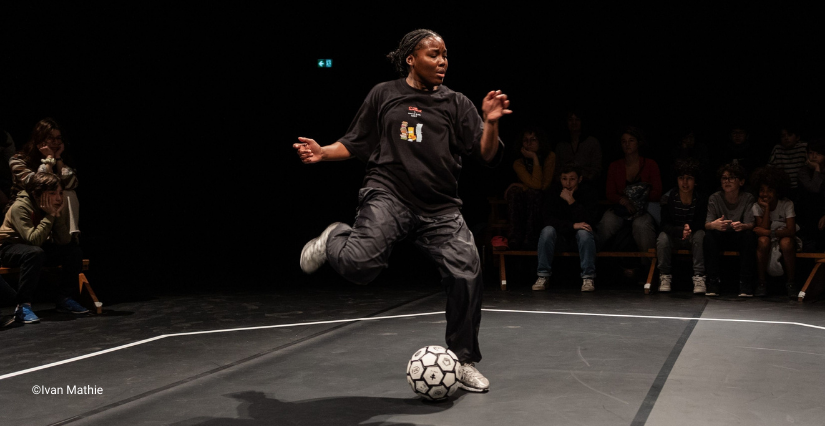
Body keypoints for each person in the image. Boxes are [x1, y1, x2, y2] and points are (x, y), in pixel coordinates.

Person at [292, 29, 510, 394]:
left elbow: (487, 155)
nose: (442, 62)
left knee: (467, 274)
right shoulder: (385, 94)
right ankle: (335, 237)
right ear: (411, 58)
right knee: (359, 266)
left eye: (445, 56)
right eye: (433, 54)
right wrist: (322, 152)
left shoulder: (456, 103)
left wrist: (491, 122)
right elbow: (356, 142)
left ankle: (463, 360)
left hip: (440, 208)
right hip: (389, 195)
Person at [0, 172, 87, 324]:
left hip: (34, 248)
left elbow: (64, 240)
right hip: (8, 248)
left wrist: (55, 216)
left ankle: (64, 298)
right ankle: (23, 306)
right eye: (52, 193)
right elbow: (33, 240)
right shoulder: (20, 207)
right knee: (35, 253)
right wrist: (50, 216)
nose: (58, 198)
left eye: (60, 193)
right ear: (37, 194)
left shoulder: (50, 207)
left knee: (72, 251)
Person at [597, 126, 662, 278]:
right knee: (606, 223)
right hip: (622, 208)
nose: (627, 144)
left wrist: (638, 198)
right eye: (624, 141)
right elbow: (610, 193)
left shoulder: (650, 164)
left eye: (631, 141)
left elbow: (657, 192)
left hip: (643, 209)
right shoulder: (615, 166)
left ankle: (649, 270)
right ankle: (595, 261)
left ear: (638, 143)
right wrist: (624, 201)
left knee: (642, 226)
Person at [7, 118, 80, 239]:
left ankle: (70, 238)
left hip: (53, 204)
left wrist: (58, 160)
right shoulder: (18, 160)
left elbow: (71, 184)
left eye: (58, 138)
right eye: (51, 138)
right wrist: (49, 160)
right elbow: (37, 185)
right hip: (29, 205)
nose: (56, 142)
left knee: (69, 193)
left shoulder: (61, 159)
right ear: (40, 139)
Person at [533, 163, 599, 292]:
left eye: (572, 179)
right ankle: (543, 275)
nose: (568, 183)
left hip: (581, 240)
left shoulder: (588, 192)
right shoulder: (553, 192)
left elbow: (590, 220)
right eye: (564, 179)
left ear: (579, 179)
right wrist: (572, 225)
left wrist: (571, 201)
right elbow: (548, 220)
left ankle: (588, 277)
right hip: (560, 238)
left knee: (583, 232)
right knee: (547, 231)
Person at [703, 163, 757, 297]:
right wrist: (714, 225)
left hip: (738, 235)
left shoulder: (748, 198)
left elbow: (751, 223)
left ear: (741, 182)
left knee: (749, 236)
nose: (727, 181)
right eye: (724, 178)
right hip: (721, 235)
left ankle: (745, 283)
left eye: (731, 178)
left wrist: (743, 226)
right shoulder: (715, 198)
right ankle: (713, 281)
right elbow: (707, 224)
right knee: (708, 236)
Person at [655, 159, 708, 294]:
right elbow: (664, 224)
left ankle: (699, 276)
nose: (684, 182)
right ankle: (665, 275)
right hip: (674, 235)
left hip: (692, 233)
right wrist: (679, 231)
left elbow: (702, 221)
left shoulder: (700, 198)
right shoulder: (668, 198)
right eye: (681, 178)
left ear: (695, 181)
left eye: (689, 178)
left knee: (701, 235)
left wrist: (689, 228)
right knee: (662, 238)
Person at [751, 166, 801, 298]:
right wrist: (766, 208)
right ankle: (761, 283)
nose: (765, 194)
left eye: (770, 190)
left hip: (784, 236)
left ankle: (791, 283)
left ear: (777, 191)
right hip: (769, 237)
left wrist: (769, 233)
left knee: (786, 242)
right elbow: (761, 231)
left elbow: (790, 230)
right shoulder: (757, 206)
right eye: (762, 190)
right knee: (762, 241)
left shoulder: (786, 204)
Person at [505, 126, 555, 249]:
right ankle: (514, 238)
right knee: (514, 192)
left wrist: (534, 158)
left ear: (540, 141)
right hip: (526, 201)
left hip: (545, 198)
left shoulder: (550, 157)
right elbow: (536, 184)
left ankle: (531, 238)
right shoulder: (519, 163)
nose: (528, 144)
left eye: (533, 140)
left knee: (534, 193)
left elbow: (542, 186)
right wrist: (522, 186)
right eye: (525, 140)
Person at [554, 111, 602, 183]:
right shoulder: (561, 145)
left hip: (587, 184)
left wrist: (586, 180)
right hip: (565, 185)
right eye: (570, 120)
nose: (574, 123)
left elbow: (596, 168)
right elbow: (556, 169)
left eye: (577, 119)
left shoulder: (592, 142)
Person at [796, 138, 825, 251]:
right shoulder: (803, 172)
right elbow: (814, 188)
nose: (813, 156)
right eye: (811, 153)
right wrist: (817, 168)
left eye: (818, 153)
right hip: (808, 214)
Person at [768, 125, 807, 201]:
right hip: (784, 187)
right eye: (783, 136)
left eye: (789, 135)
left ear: (797, 137)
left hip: (802, 186)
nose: (786, 138)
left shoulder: (803, 147)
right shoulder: (777, 149)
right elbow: (769, 168)